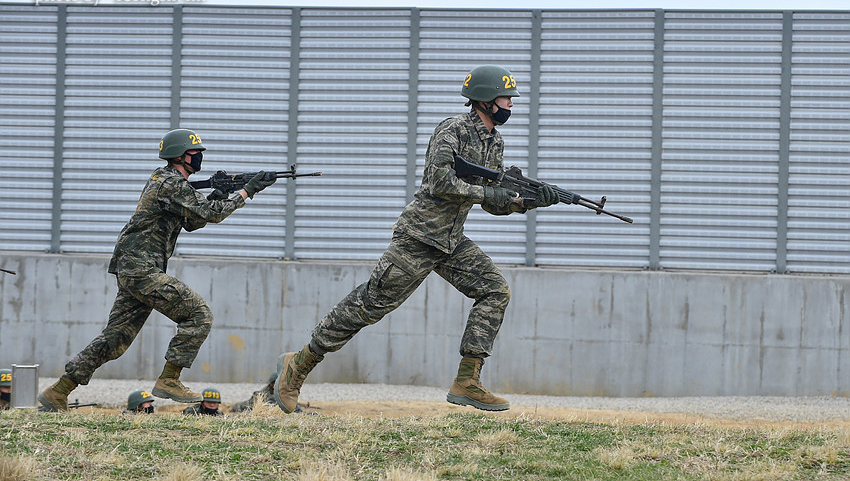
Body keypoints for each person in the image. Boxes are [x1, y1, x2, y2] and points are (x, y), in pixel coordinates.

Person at [274, 65, 560, 414]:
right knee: (369, 305)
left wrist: (524, 203)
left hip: (450, 241)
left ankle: (467, 380)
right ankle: (298, 364)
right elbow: (441, 183)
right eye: (506, 98)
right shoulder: (451, 131)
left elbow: (490, 201)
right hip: (419, 237)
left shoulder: (494, 142)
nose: (511, 105)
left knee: (495, 290)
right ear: (485, 100)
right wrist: (491, 196)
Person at [38, 129, 276, 412]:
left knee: (115, 339)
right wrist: (247, 192)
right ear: (179, 156)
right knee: (198, 314)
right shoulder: (170, 184)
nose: (199, 156)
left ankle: (58, 391)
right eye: (194, 152)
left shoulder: (168, 183)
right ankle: (169, 379)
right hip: (140, 268)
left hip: (134, 267)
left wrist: (217, 192)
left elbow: (192, 221)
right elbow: (212, 215)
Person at [230, 371, 311, 414]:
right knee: (239, 407)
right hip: (249, 405)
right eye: (276, 383)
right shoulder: (263, 394)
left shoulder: (284, 391)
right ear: (271, 384)